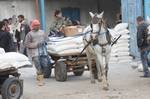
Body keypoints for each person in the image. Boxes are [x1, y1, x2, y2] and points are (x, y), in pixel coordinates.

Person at [25, 19, 47, 86]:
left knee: (45, 64)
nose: (37, 26)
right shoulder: (29, 34)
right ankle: (40, 81)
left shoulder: (42, 32)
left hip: (43, 51)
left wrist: (45, 43)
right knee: (38, 65)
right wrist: (35, 44)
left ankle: (39, 76)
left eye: (38, 25)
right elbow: (26, 44)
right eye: (36, 25)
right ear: (33, 26)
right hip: (34, 52)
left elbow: (47, 40)